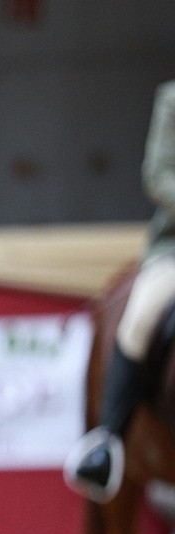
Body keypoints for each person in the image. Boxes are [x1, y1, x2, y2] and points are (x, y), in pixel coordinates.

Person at [67, 80, 175, 502]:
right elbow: (158, 173)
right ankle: (106, 442)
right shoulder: (172, 99)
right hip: (173, 248)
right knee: (140, 318)